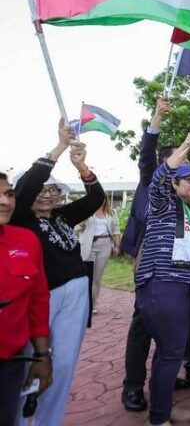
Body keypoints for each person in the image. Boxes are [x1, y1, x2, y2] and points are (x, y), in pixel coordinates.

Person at [11, 119, 105, 425]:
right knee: (31, 363)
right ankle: (20, 419)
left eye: (54, 190)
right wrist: (60, 147)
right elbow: (25, 190)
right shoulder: (20, 220)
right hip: (40, 299)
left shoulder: (63, 216)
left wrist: (82, 167)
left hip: (76, 295)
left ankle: (49, 420)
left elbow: (94, 199)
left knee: (63, 365)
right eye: (43, 189)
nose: (49, 194)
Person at [120, 98, 190, 412]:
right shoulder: (154, 178)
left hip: (177, 269)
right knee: (142, 324)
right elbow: (147, 156)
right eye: (180, 160)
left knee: (170, 327)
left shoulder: (186, 194)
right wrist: (157, 118)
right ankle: (133, 385)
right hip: (148, 260)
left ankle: (164, 378)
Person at [135, 131, 190, 425]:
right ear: (175, 183)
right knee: (172, 350)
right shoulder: (163, 202)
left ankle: (162, 408)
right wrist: (187, 146)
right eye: (188, 178)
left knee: (169, 351)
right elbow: (159, 177)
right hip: (163, 283)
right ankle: (158, 419)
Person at [0, 171, 51, 425]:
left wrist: (43, 355)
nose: (6, 202)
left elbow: (38, 302)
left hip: (11, 364)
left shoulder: (27, 241)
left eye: (9, 194)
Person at [77, 196, 120, 313]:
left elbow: (116, 230)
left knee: (97, 277)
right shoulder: (86, 211)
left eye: (102, 198)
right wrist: (82, 222)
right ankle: (85, 304)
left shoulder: (111, 212)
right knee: (87, 276)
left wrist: (117, 246)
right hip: (88, 245)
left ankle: (93, 304)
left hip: (105, 244)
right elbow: (75, 228)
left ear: (105, 200)